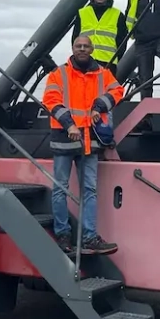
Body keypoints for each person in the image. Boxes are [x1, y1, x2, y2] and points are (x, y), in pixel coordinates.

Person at [42, 35, 124, 253]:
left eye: (86, 46)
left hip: (90, 140)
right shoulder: (58, 74)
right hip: (65, 138)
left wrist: (99, 105)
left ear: (92, 49)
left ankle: (89, 238)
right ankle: (63, 235)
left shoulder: (103, 74)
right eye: (78, 46)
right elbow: (51, 100)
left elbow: (118, 90)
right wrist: (69, 125)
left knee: (89, 190)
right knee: (60, 189)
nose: (82, 49)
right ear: (72, 48)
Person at [71, 0, 128, 68]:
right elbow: (75, 38)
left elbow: (122, 41)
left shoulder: (118, 15)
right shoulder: (82, 13)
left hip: (108, 62)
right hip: (85, 61)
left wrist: (115, 59)